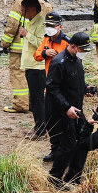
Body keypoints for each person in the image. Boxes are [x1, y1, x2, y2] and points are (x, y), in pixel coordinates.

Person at [45, 32, 94, 186]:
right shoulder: (59, 62)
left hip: (76, 108)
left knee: (83, 140)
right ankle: (55, 178)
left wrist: (85, 88)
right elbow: (52, 88)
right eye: (82, 49)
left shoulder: (77, 61)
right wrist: (66, 108)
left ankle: (73, 176)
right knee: (68, 145)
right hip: (62, 111)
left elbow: (73, 83)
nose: (84, 53)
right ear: (73, 46)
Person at [33, 12, 67, 156]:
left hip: (63, 87)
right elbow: (36, 55)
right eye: (47, 25)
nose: (49, 28)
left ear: (60, 26)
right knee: (50, 119)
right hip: (50, 86)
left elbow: (74, 63)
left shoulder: (66, 42)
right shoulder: (46, 40)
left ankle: (63, 150)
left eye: (52, 25)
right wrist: (46, 54)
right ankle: (54, 150)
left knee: (63, 120)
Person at [19, 0, 51, 145]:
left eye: (23, 9)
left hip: (37, 67)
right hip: (31, 65)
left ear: (33, 9)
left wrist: (27, 34)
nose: (21, 12)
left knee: (38, 99)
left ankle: (41, 130)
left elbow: (42, 43)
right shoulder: (32, 22)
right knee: (35, 98)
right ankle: (39, 127)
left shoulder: (41, 23)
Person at [0, 0, 31, 114]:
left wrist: (5, 43)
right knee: (33, 75)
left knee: (18, 75)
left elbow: (12, 25)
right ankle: (33, 102)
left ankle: (21, 104)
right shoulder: (45, 3)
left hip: (20, 47)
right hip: (36, 47)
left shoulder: (20, 2)